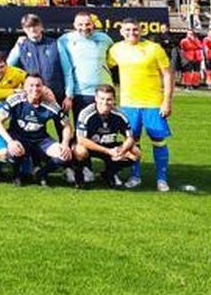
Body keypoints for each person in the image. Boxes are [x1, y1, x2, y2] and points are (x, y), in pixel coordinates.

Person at [104, 18, 174, 192]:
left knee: (158, 140)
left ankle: (162, 179)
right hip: (128, 103)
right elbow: (104, 66)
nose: (131, 33)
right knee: (132, 140)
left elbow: (167, 74)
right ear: (121, 32)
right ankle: (135, 176)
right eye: (127, 30)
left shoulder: (154, 48)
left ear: (141, 30)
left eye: (135, 30)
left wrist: (167, 101)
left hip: (153, 103)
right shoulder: (116, 49)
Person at [0, 73, 72, 187]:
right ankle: (16, 175)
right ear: (24, 87)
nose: (35, 89)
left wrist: (65, 144)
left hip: (41, 140)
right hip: (19, 138)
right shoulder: (15, 100)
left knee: (63, 156)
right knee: (15, 150)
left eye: (38, 85)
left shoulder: (51, 104)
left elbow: (67, 125)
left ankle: (41, 173)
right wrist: (10, 142)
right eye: (31, 85)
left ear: (43, 87)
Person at [73, 84, 139, 189]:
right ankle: (79, 176)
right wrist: (107, 151)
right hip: (91, 147)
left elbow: (130, 138)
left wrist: (122, 150)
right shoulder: (86, 113)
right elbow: (81, 140)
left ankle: (108, 174)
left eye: (109, 99)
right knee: (80, 150)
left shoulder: (120, 114)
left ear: (114, 100)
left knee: (135, 152)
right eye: (102, 99)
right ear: (95, 98)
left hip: (110, 146)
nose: (105, 102)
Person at [57, 12, 114, 123]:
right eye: (80, 24)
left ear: (93, 24)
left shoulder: (105, 38)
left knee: (105, 130)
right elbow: (66, 69)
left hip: (104, 91)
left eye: (88, 24)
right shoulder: (65, 40)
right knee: (83, 130)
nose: (84, 28)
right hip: (81, 93)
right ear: (74, 25)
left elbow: (115, 54)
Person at [8, 13, 65, 98]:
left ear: (41, 27)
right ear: (24, 29)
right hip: (32, 93)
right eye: (28, 27)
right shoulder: (20, 46)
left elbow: (67, 71)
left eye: (35, 26)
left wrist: (69, 94)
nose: (32, 29)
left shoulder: (55, 44)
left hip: (55, 93)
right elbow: (9, 66)